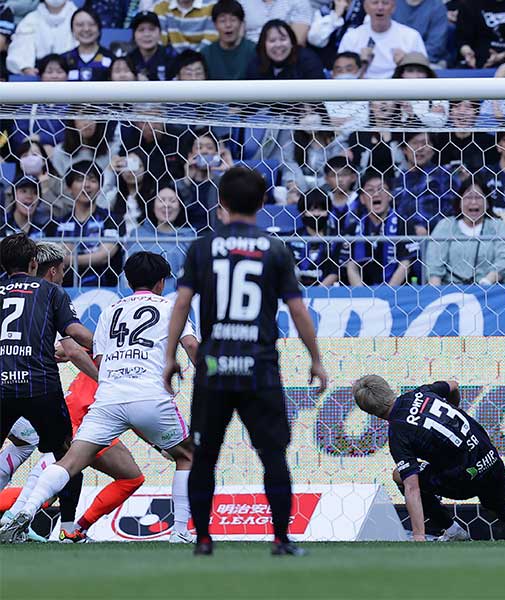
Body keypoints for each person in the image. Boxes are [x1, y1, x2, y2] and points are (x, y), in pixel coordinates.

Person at [163, 166, 327, 556]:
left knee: (204, 455)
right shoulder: (275, 248)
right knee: (273, 454)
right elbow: (298, 309)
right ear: (260, 204)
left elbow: (182, 303)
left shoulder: (202, 247)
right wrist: (315, 359)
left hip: (215, 367)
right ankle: (282, 540)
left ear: (221, 204)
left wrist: (169, 356)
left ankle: (202, 539)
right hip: (260, 367)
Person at [0, 252, 200, 545]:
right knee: (188, 456)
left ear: (128, 280)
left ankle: (24, 513)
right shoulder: (172, 308)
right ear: (161, 283)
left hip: (107, 400)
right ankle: (180, 531)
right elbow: (192, 346)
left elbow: (101, 359)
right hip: (150, 396)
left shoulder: (110, 311)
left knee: (68, 461)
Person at [352, 375, 505, 541]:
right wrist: (454, 409)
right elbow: (454, 385)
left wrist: (418, 536)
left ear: (370, 412)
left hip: (464, 477)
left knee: (400, 475)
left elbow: (412, 488)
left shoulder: (398, 434)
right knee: (500, 505)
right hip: (489, 457)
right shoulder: (421, 392)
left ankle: (452, 529)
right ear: (388, 388)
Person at [0, 234, 96, 544]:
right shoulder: (51, 291)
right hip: (40, 387)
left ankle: (19, 515)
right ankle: (68, 527)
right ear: (33, 263)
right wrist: (109, 345)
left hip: (2, 386)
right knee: (68, 456)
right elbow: (75, 333)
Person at [425, 175, 505, 285]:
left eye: (478, 197)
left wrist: (487, 281)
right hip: (450, 291)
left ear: (487, 203)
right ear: (460, 202)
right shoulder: (446, 226)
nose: (473, 202)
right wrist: (437, 293)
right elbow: (434, 265)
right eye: (468, 197)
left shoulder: (498, 226)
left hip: (488, 290)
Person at [56, 163, 123, 288]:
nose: (86, 185)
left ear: (100, 187)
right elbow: (53, 257)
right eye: (80, 180)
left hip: (104, 290)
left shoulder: (112, 219)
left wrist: (69, 258)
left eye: (92, 180)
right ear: (69, 187)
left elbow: (104, 256)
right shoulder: (58, 223)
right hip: (65, 289)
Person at [346, 170, 417, 286]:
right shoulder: (353, 228)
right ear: (362, 199)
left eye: (381, 189)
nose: (376, 194)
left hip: (396, 293)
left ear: (390, 195)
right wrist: (363, 296)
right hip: (363, 295)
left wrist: (387, 294)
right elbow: (350, 266)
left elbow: (406, 264)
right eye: (370, 190)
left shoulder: (403, 224)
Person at [336, 0, 428, 78]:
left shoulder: (411, 36)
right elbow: (339, 75)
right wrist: (361, 66)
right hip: (361, 93)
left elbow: (425, 74)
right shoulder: (351, 37)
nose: (380, 7)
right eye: (375, 3)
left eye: (385, 3)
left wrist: (405, 63)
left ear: (393, 7)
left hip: (401, 93)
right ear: (365, 7)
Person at [126, 182, 194, 280]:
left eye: (172, 201)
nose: (167, 205)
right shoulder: (138, 234)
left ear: (180, 207)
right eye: (161, 200)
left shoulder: (189, 237)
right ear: (153, 206)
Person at [393, 131, 454, 235]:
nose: (420, 148)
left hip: (438, 237)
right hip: (402, 240)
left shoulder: (446, 177)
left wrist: (428, 227)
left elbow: (451, 211)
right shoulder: (396, 181)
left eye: (425, 143)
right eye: (414, 143)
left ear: (434, 149)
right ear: (404, 149)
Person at [5, 0, 77, 75]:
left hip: (73, 72)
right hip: (39, 75)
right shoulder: (30, 20)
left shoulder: (79, 17)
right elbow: (19, 48)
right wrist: (25, 68)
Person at [456, 0, 505, 69]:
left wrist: (504, 56)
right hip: (477, 59)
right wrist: (468, 53)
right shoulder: (468, 5)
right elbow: (462, 39)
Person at [247, 18, 326, 79]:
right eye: (272, 40)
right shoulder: (256, 64)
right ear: (263, 45)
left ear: (292, 42)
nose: (278, 45)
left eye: (282, 39)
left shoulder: (308, 61)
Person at [201, 0, 256, 80]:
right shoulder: (206, 54)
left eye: (233, 20)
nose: (228, 25)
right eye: (222, 21)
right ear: (215, 25)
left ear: (241, 23)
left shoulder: (253, 50)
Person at [60, 8, 114, 81]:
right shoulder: (63, 60)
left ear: (99, 28)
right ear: (72, 30)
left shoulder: (111, 59)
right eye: (80, 25)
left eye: (91, 24)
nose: (86, 29)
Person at [393, 0, 447, 65]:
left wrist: (409, 59)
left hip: (426, 62)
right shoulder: (391, 3)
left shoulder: (437, 6)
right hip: (392, 59)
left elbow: (436, 45)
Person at [128, 10, 177, 81]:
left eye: (151, 29)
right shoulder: (129, 60)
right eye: (141, 30)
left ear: (160, 33)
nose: (147, 34)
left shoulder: (171, 58)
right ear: (134, 35)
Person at [153, 0, 217, 52]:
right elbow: (160, 42)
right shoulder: (161, 6)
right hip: (172, 60)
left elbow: (210, 41)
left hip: (202, 60)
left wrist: (192, 60)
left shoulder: (211, 5)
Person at [239, 0, 313, 45]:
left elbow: (298, 41)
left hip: (283, 52)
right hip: (250, 55)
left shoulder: (298, 1)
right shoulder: (241, 2)